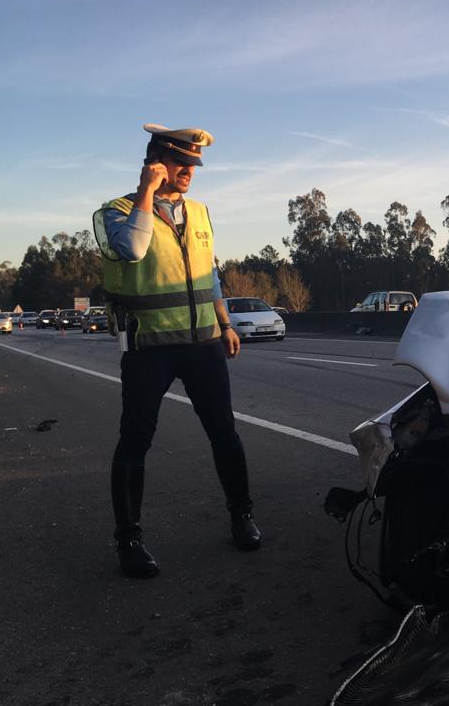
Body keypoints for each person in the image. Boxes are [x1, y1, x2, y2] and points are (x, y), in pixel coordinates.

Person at [93, 123, 261, 579]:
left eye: (194, 165)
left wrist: (225, 323)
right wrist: (147, 194)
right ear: (155, 163)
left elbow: (210, 276)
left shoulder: (201, 213)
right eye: (181, 163)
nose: (189, 171)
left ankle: (241, 515)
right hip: (150, 347)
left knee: (224, 432)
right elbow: (132, 249)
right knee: (136, 439)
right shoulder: (115, 213)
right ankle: (129, 540)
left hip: (203, 343)